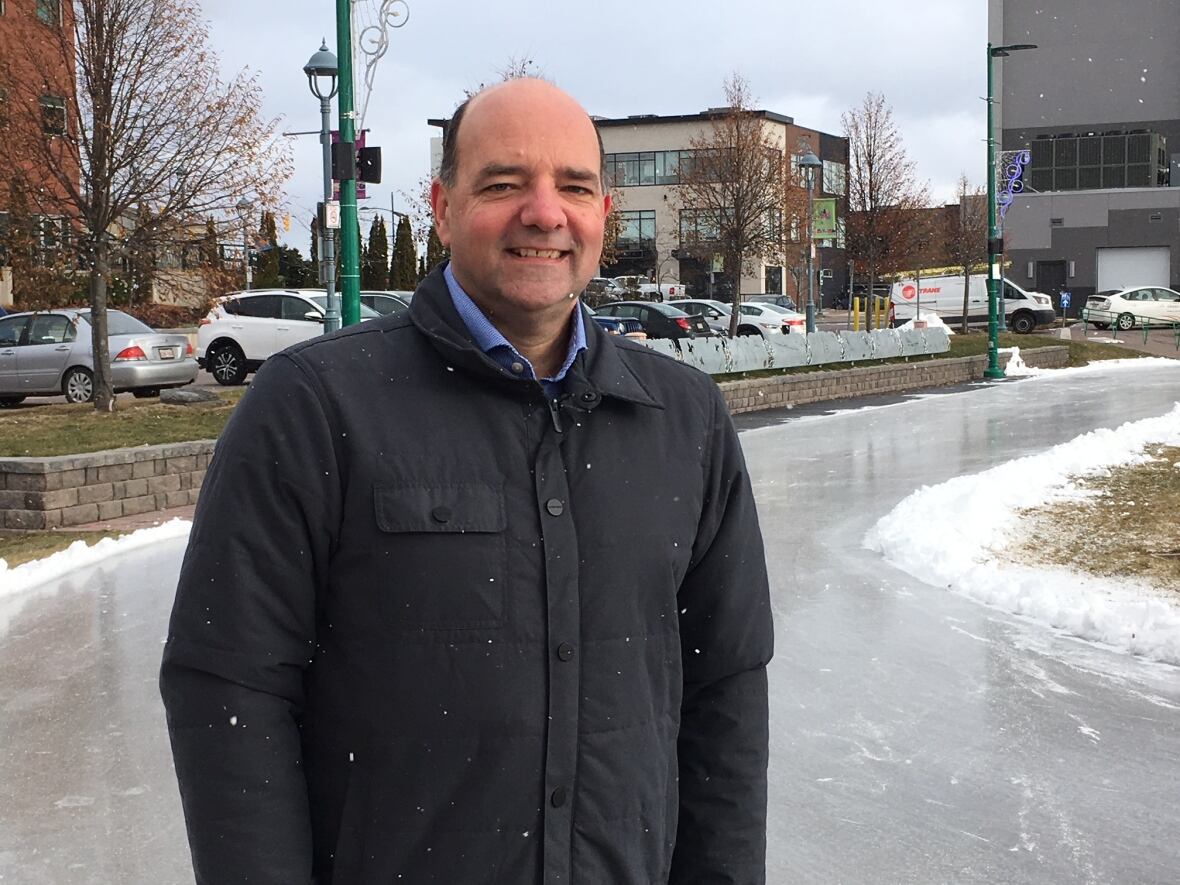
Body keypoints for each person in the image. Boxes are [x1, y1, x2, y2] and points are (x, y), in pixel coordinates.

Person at [160, 78, 773, 885]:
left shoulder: (685, 421)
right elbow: (229, 688)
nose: (545, 212)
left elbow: (724, 694)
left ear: (604, 212)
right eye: (505, 183)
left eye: (574, 186)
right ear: (444, 207)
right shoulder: (312, 409)